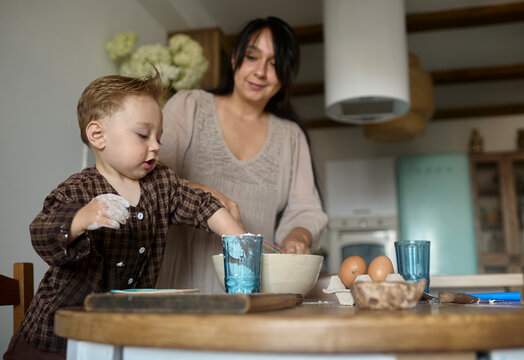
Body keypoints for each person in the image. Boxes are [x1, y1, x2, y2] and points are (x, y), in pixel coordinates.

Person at [3, 74, 244, 360]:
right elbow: (42, 233)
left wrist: (237, 237)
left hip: (119, 332)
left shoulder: (161, 183)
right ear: (98, 135)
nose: (155, 145)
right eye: (143, 135)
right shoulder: (79, 190)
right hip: (54, 338)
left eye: (159, 137)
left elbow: (200, 204)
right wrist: (82, 218)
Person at [156, 16, 328, 293]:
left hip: (254, 297)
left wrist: (299, 235)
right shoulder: (189, 107)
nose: (261, 71)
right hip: (179, 290)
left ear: (285, 77)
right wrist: (205, 195)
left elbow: (306, 209)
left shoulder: (291, 136)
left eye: (274, 64)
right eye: (252, 56)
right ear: (235, 58)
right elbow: (149, 181)